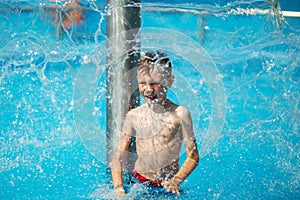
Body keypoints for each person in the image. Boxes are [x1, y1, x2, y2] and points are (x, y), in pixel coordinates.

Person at [110, 50, 199, 196]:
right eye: (142, 83)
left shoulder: (180, 114)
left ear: (169, 81)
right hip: (138, 182)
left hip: (167, 185)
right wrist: (119, 189)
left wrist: (176, 180)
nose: (148, 89)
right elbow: (118, 157)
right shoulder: (133, 115)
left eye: (154, 83)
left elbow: (193, 156)